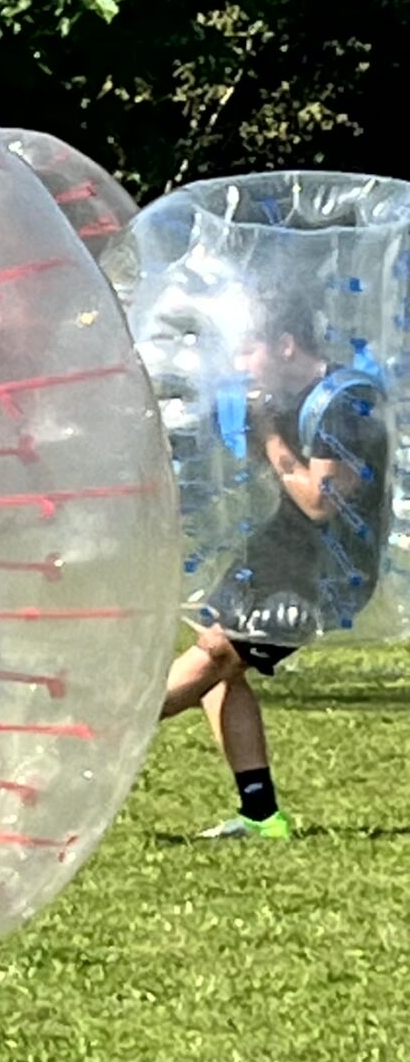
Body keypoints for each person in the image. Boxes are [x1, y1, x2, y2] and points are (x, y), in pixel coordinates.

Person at [158, 286, 391, 838]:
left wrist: (265, 433)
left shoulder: (347, 402)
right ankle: (261, 815)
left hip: (322, 572)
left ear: (286, 345)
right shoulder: (279, 393)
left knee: (215, 655)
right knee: (217, 661)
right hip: (272, 551)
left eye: (247, 350)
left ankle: (106, 736)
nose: (238, 366)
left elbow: (318, 502)